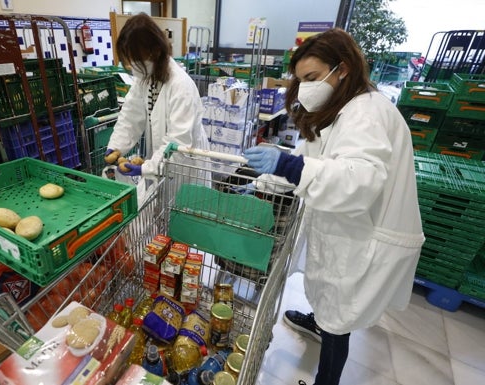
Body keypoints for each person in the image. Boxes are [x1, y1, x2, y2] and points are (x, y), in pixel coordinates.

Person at [243, 28, 425, 385]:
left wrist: (287, 167)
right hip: (346, 226)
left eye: (312, 77)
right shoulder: (339, 108)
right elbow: (309, 159)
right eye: (301, 80)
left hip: (366, 234)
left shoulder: (366, 112)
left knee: (340, 313)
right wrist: (262, 182)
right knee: (331, 299)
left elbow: (359, 179)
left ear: (341, 69)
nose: (306, 86)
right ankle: (318, 322)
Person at [104, 12, 209, 184]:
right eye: (128, 58)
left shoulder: (181, 86)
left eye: (136, 58)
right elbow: (130, 116)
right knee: (161, 206)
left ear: (155, 51)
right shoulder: (145, 79)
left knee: (184, 207)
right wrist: (116, 146)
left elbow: (178, 142)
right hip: (162, 160)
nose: (131, 64)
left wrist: (146, 168)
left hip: (187, 165)